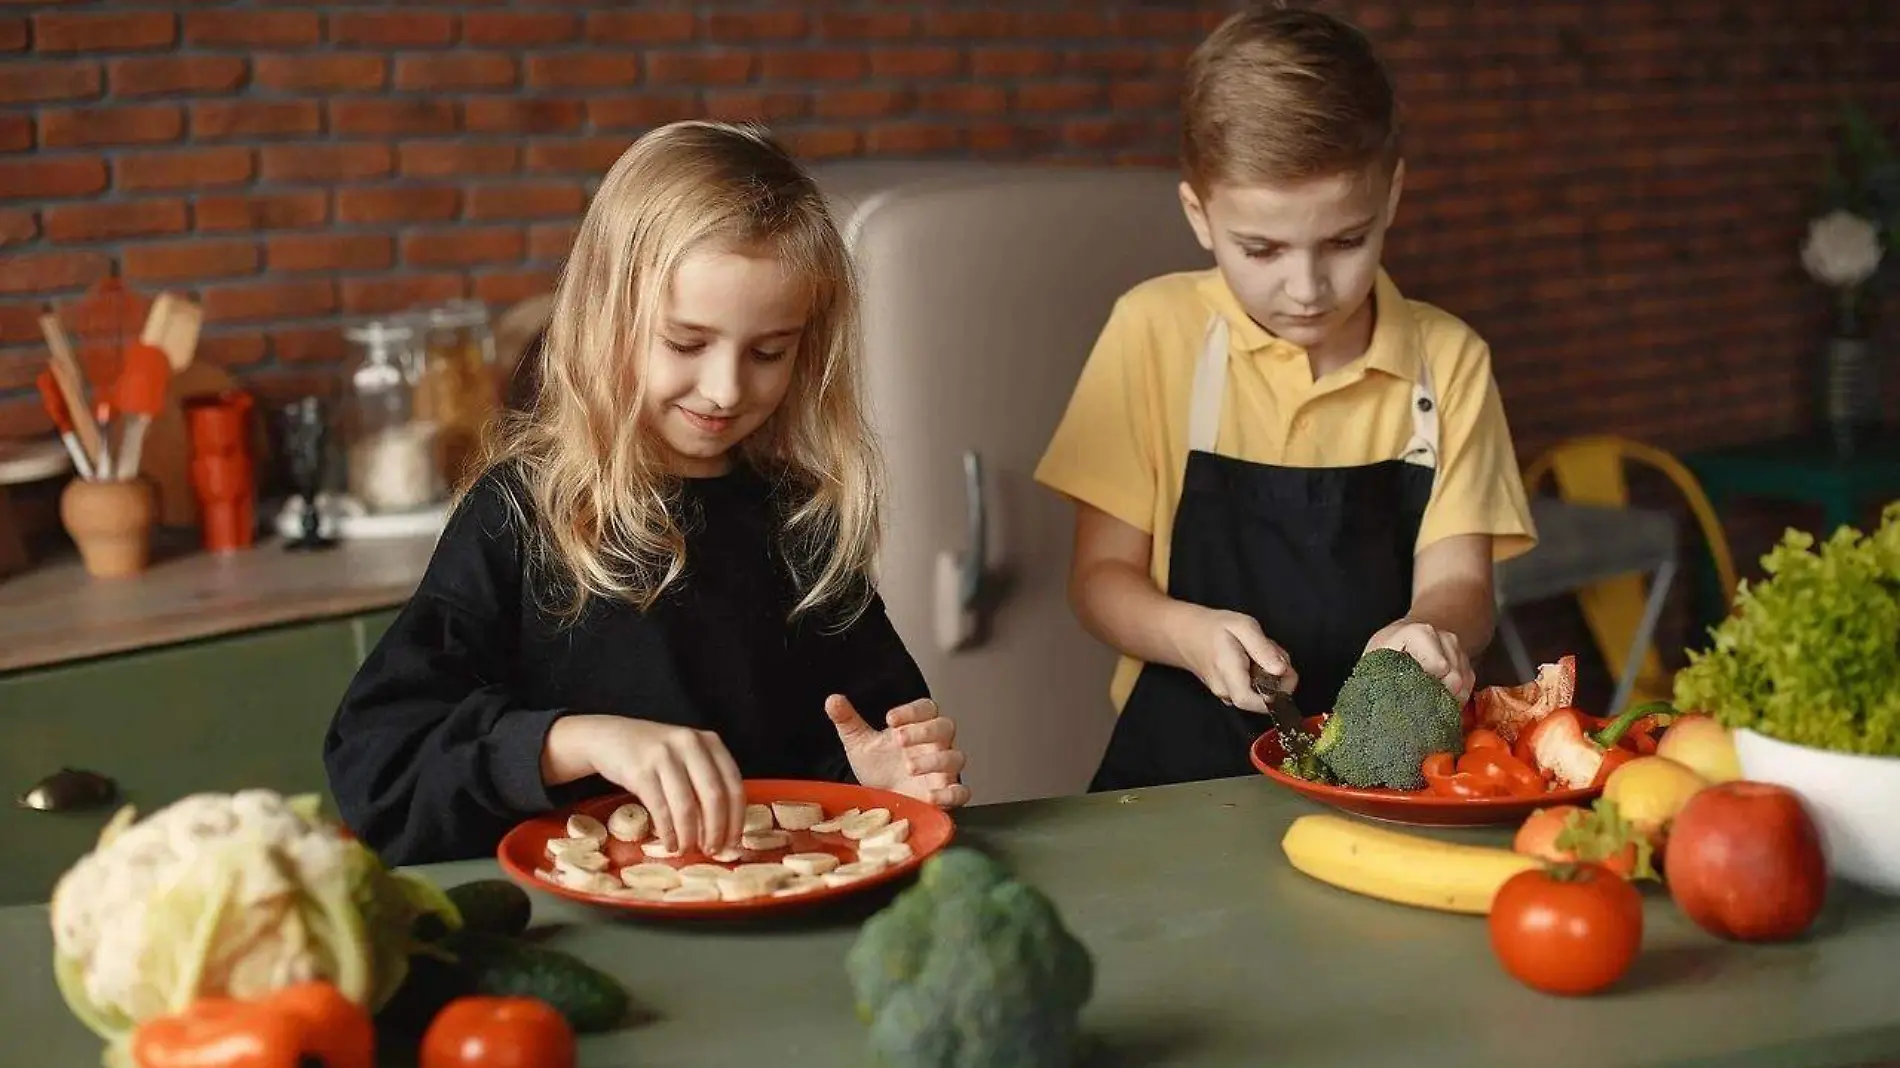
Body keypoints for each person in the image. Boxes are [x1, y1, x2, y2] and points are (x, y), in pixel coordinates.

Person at [324, 121, 971, 865]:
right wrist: (572, 739)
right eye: (686, 344)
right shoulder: (519, 515)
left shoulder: (803, 526)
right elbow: (380, 768)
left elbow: (849, 772)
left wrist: (885, 783)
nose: (727, 389)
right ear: (608, 317)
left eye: (768, 352)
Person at [1035, 6, 1537, 792]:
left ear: (1392, 199)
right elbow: (1099, 579)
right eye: (1262, 249)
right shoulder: (1152, 332)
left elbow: (1466, 586)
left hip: (1388, 778)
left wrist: (1428, 630)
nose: (1306, 289)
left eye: (1345, 242)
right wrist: (1188, 632)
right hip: (1179, 768)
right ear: (1200, 215)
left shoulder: (1449, 361)